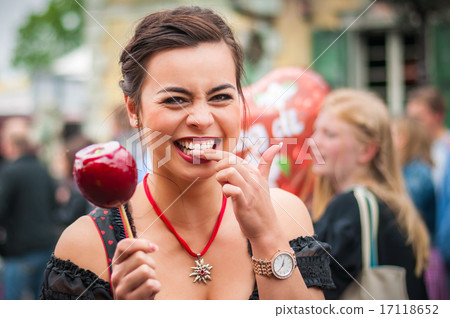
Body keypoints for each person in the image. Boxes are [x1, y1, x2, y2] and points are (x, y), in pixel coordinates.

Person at [40, 6, 334, 300]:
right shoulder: (85, 246)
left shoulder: (285, 216)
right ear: (133, 109)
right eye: (175, 99)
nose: (202, 118)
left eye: (221, 97)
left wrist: (267, 239)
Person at [312, 89, 430, 300]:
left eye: (329, 134)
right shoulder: (392, 204)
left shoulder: (351, 206)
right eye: (315, 131)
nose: (313, 142)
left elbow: (310, 295)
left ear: (366, 151)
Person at [0, 117, 57, 299]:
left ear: (9, 144)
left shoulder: (9, 172)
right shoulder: (42, 169)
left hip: (19, 252)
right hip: (46, 247)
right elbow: (54, 205)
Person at [392, 116, 436, 236]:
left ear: (403, 140)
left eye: (392, 134)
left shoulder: (418, 171)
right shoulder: (408, 168)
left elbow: (403, 207)